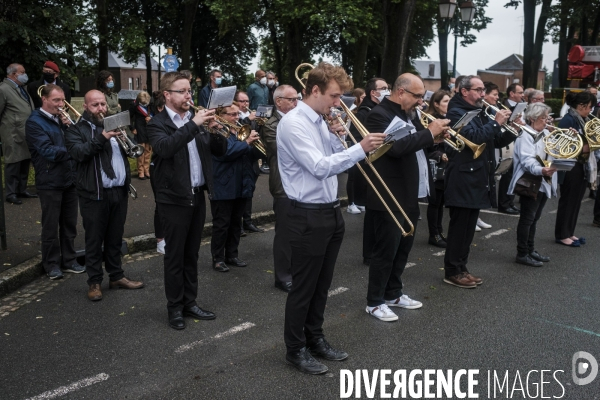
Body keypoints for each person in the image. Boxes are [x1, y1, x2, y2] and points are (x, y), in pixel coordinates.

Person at [277, 62, 385, 374]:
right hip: (305, 214)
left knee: (322, 285)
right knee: (304, 288)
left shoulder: (322, 120)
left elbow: (334, 161)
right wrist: (360, 147)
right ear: (314, 90)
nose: (339, 103)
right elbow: (320, 167)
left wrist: (341, 135)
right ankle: (295, 349)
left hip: (329, 210)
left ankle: (315, 338)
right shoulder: (294, 123)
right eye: (335, 96)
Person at [363, 74, 449, 322]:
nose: (421, 101)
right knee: (385, 250)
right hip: (389, 194)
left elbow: (416, 143)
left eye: (423, 96)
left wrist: (436, 137)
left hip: (410, 192)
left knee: (403, 247)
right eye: (417, 96)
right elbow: (397, 148)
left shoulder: (409, 115)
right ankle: (374, 301)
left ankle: (393, 293)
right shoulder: (380, 115)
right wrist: (429, 132)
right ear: (401, 92)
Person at [147, 72, 226, 330]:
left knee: (191, 254)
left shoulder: (196, 120)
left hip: (196, 195)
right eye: (182, 91)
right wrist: (194, 124)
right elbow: (165, 148)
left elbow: (220, 151)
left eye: (189, 91)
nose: (188, 95)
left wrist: (216, 132)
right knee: (174, 256)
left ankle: (190, 302)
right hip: (172, 199)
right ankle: (174, 308)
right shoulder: (157, 123)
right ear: (167, 94)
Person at [65, 90, 144, 301]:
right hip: (94, 194)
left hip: (118, 191)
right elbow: (79, 154)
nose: (101, 109)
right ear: (85, 107)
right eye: (95, 105)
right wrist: (102, 138)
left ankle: (116, 276)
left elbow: (129, 151)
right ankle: (94, 282)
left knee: (115, 237)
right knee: (94, 239)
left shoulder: (114, 125)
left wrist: (126, 139)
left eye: (103, 104)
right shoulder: (76, 130)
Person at [443, 75, 514, 289]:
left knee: (468, 228)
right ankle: (452, 271)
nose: (483, 94)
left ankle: (462, 268)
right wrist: (495, 122)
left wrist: (513, 130)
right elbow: (473, 137)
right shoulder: (456, 111)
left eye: (483, 90)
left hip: (477, 174)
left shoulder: (478, 110)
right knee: (459, 228)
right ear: (464, 91)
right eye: (479, 89)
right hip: (464, 176)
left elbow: (493, 140)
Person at [25, 84, 85, 280]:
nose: (61, 105)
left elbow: (78, 140)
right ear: (44, 99)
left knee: (69, 224)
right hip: (50, 180)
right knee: (50, 226)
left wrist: (69, 127)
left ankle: (69, 260)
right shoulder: (35, 122)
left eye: (63, 101)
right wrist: (73, 150)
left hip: (68, 178)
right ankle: (51, 264)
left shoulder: (62, 120)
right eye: (56, 101)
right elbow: (48, 152)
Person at [210, 104, 262, 272]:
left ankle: (232, 255)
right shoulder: (217, 133)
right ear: (220, 115)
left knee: (235, 224)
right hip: (223, 184)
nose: (236, 117)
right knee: (221, 224)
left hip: (241, 183)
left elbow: (249, 156)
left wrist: (257, 147)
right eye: (232, 114)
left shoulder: (240, 131)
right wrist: (246, 142)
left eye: (237, 114)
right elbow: (225, 154)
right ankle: (218, 258)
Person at [508, 103, 557, 267]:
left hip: (543, 181)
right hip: (530, 182)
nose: (546, 121)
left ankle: (530, 249)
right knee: (527, 219)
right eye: (543, 118)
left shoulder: (543, 133)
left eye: (547, 118)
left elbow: (553, 152)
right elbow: (527, 160)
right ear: (532, 119)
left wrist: (563, 137)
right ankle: (522, 253)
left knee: (534, 219)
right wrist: (541, 169)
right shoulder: (525, 135)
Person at [260, 84, 298, 292]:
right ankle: (283, 277)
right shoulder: (271, 124)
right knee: (284, 234)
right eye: (291, 100)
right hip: (283, 184)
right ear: (278, 102)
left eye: (296, 99)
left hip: (300, 184)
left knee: (300, 232)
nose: (296, 103)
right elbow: (282, 150)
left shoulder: (298, 120)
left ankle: (296, 271)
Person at [349, 78, 389, 263]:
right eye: (383, 88)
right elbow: (359, 139)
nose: (387, 91)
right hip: (370, 164)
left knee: (378, 211)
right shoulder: (364, 112)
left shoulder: (381, 109)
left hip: (381, 163)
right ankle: (370, 252)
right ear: (373, 92)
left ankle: (377, 249)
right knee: (373, 210)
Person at [554, 91, 597, 247]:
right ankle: (562, 234)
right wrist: (587, 146)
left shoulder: (581, 119)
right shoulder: (569, 120)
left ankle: (569, 232)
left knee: (576, 200)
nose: (591, 110)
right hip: (570, 165)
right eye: (589, 107)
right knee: (568, 200)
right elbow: (563, 145)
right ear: (581, 106)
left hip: (581, 164)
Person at [0, 63, 36, 205]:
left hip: (25, 132)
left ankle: (21, 189)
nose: (25, 74)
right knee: (13, 163)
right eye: (23, 72)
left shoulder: (20, 88)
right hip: (12, 133)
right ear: (14, 74)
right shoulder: (3, 89)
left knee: (24, 161)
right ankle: (11, 193)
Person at [425, 90, 451, 248]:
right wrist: (439, 154)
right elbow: (427, 145)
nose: (449, 104)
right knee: (434, 203)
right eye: (445, 101)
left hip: (445, 166)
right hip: (435, 166)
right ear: (436, 104)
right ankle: (433, 234)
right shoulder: (431, 120)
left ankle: (439, 231)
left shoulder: (447, 119)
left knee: (440, 202)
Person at [497, 83, 524, 215]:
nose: (522, 95)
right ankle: (503, 203)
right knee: (507, 174)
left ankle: (510, 201)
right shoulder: (505, 106)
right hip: (507, 142)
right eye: (519, 92)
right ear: (512, 94)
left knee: (513, 174)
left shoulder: (521, 105)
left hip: (517, 140)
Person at [149, 91, 166, 254]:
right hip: (158, 167)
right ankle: (160, 239)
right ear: (161, 108)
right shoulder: (156, 123)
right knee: (160, 204)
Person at [130, 91, 152, 180]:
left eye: (146, 102)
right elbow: (128, 117)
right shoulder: (134, 105)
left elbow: (156, 114)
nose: (145, 104)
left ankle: (146, 169)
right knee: (141, 150)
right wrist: (132, 128)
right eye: (143, 103)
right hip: (139, 129)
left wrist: (151, 118)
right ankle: (140, 171)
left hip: (149, 129)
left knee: (148, 150)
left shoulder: (151, 105)